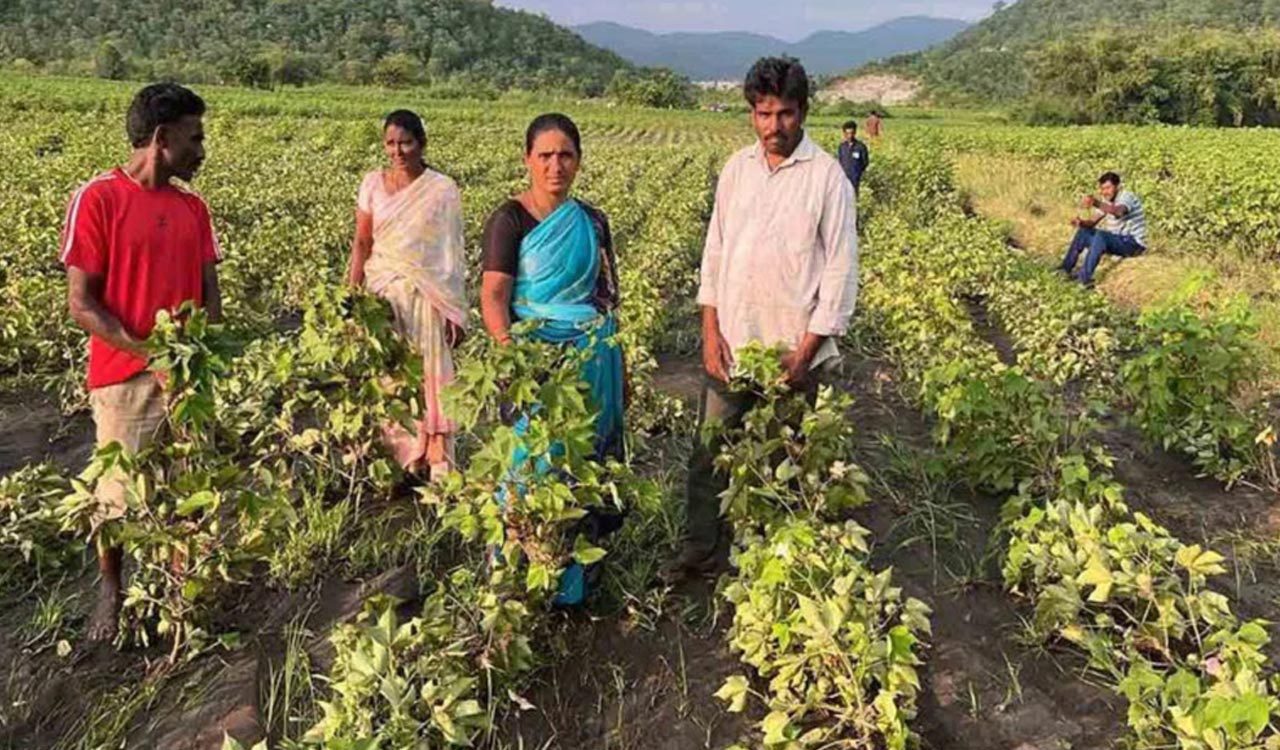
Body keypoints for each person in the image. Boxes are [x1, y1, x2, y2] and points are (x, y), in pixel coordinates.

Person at [665, 57, 858, 581]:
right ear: (752, 112)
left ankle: (777, 561)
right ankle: (701, 550)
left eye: (787, 114)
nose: (775, 127)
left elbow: (840, 270)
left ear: (804, 112)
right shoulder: (736, 170)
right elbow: (715, 252)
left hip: (793, 351)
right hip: (732, 342)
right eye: (765, 114)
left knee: (789, 457)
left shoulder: (827, 179)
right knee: (709, 455)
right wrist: (709, 331)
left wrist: (807, 351)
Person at [61, 83, 222, 642]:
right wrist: (148, 352)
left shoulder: (193, 208)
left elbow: (211, 293)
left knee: (190, 489)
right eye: (195, 138)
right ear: (161, 138)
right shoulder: (99, 198)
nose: (202, 149)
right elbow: (82, 304)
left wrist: (201, 356)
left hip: (186, 378)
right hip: (123, 377)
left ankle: (182, 595)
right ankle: (110, 591)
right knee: (117, 496)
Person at [479, 113, 626, 604]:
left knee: (582, 463)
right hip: (531, 362)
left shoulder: (593, 220)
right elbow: (495, 297)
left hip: (588, 358)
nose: (555, 165)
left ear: (579, 161)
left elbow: (607, 297)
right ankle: (519, 576)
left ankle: (572, 582)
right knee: (531, 462)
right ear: (528, 160)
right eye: (545, 155)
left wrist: (617, 364)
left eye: (565, 155)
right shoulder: (510, 219)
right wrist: (512, 358)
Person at [348, 110, 467, 480]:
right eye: (390, 143)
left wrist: (453, 310)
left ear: (422, 143)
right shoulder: (371, 183)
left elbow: (450, 253)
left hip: (425, 298)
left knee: (428, 376)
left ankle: (433, 460)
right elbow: (363, 242)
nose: (397, 151)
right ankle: (398, 462)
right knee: (390, 377)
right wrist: (351, 295)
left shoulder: (442, 189)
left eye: (406, 142)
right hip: (382, 296)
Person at [1059, 171, 1147, 286]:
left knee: (1101, 236)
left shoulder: (1127, 196)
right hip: (1117, 240)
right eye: (1102, 189)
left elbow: (1119, 212)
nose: (1105, 192)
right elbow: (1092, 222)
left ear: (1117, 186)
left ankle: (1084, 278)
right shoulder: (1106, 201)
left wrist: (1096, 203)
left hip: (1133, 243)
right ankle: (1065, 269)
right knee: (1084, 232)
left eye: (1108, 188)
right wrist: (1081, 222)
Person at [837, 120, 870, 194]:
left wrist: (858, 172)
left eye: (852, 133)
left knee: (854, 197)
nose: (850, 136)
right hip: (843, 177)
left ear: (855, 133)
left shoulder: (860, 146)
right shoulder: (842, 147)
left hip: (855, 177)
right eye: (847, 133)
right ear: (844, 134)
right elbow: (840, 160)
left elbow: (865, 162)